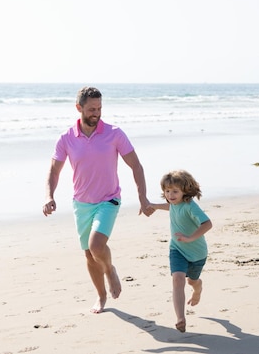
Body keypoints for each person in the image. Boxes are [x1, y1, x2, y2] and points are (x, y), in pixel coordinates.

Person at [43, 86, 154, 314]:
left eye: (100, 108)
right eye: (92, 109)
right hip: (81, 204)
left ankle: (110, 270)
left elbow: (136, 165)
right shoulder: (66, 138)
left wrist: (142, 197)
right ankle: (101, 296)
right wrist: (49, 196)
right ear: (79, 108)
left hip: (109, 200)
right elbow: (54, 171)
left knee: (96, 246)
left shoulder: (114, 133)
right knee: (88, 253)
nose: (97, 113)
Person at [146, 169, 213, 333]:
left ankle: (198, 289)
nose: (170, 195)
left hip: (197, 253)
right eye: (167, 191)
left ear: (185, 191)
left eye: (175, 191)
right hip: (177, 249)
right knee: (177, 279)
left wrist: (190, 238)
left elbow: (207, 224)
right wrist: (153, 206)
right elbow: (170, 207)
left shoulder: (190, 206)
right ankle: (180, 318)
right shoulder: (174, 203)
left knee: (192, 281)